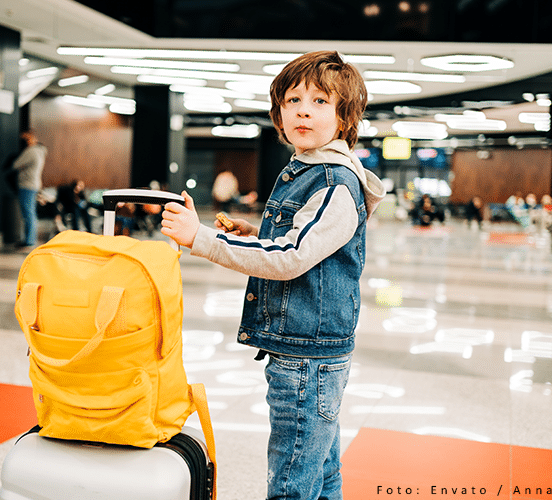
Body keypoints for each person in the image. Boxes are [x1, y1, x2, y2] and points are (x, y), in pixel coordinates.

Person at [161, 51, 385, 500]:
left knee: (291, 482)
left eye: (321, 101)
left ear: (344, 118)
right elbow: (303, 242)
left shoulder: (333, 181)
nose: (303, 109)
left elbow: (290, 258)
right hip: (309, 350)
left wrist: (200, 238)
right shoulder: (308, 168)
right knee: (320, 472)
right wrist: (255, 232)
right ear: (278, 113)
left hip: (306, 357)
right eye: (293, 99)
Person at [11, 129, 47, 248]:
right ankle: (29, 239)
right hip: (34, 184)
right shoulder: (41, 151)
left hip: (27, 185)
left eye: (26, 138)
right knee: (30, 213)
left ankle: (28, 240)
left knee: (28, 213)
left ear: (32, 138)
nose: (24, 141)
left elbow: (15, 165)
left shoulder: (31, 151)